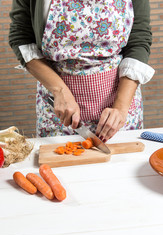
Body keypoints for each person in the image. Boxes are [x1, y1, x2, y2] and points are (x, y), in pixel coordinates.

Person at [9, 0, 155, 141]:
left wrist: (121, 108)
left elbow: (139, 40)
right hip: (59, 110)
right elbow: (22, 37)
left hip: (120, 105)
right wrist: (60, 91)